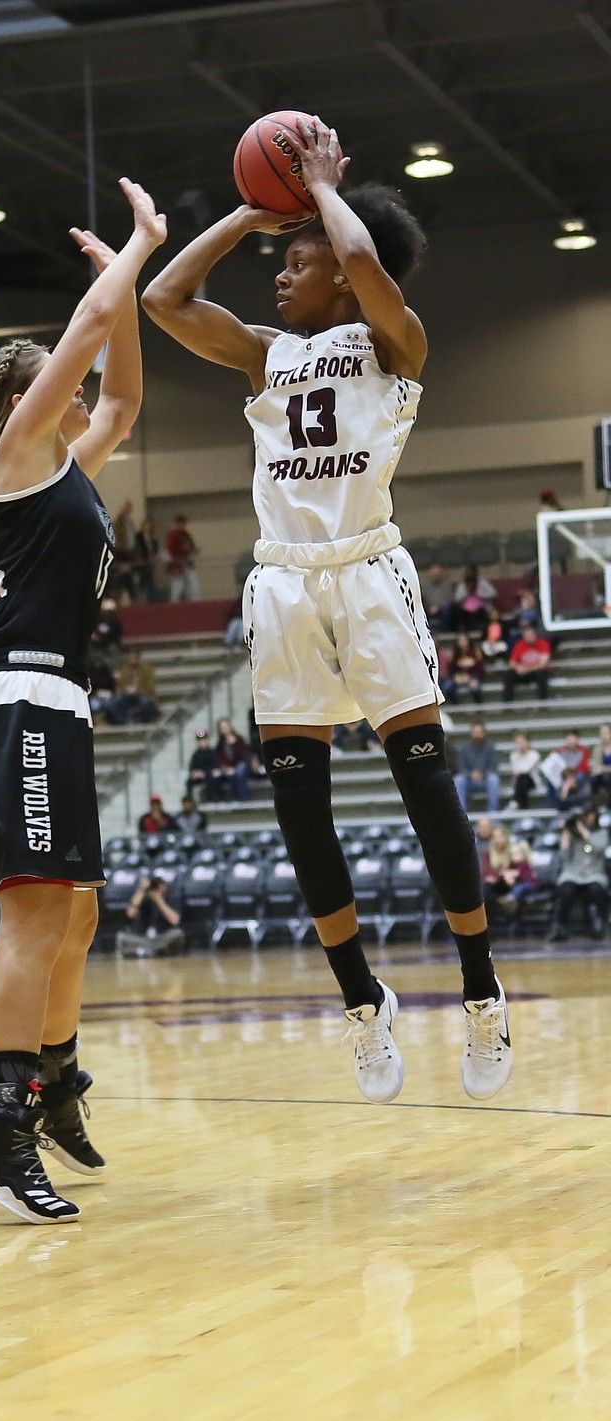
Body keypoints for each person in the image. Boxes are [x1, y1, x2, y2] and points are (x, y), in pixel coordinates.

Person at [143, 116, 511, 1104]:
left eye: (294, 261)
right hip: (282, 580)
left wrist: (321, 196)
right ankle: (360, 998)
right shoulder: (262, 353)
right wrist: (251, 213)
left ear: (341, 276)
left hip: (365, 569)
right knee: (299, 806)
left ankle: (479, 983)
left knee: (423, 786)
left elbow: (357, 251)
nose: (281, 272)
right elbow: (161, 297)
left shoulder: (393, 341)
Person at [0, 176, 166, 1223]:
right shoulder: (21, 457)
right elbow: (85, 331)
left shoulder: (66, 460)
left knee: (77, 909)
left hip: (55, 705)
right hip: (17, 701)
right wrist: (136, 249)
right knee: (32, 920)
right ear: (23, 399)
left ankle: (54, 1074)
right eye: (56, 382)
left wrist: (125, 288)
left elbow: (121, 400)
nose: (76, 394)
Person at [550, 805, 609, 942]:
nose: (588, 818)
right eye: (586, 815)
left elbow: (599, 848)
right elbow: (564, 856)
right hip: (573, 873)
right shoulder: (571, 833)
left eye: (591, 814)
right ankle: (559, 926)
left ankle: (602, 924)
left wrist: (582, 830)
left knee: (596, 889)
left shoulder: (601, 832)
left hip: (594, 873)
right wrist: (566, 832)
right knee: (565, 890)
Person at [116, 872, 185, 957]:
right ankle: (156, 951)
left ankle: (143, 952)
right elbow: (130, 914)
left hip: (162, 936)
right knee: (121, 937)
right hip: (144, 938)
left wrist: (159, 900)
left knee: (178, 934)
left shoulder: (171, 898)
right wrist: (141, 890)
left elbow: (175, 921)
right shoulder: (143, 898)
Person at [453, 723, 502, 815]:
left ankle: (493, 813)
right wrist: (470, 774)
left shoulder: (490, 748)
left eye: (479, 732)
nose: (477, 735)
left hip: (485, 780)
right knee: (458, 780)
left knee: (494, 779)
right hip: (469, 781)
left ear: (484, 733)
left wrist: (482, 774)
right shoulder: (464, 749)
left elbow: (493, 766)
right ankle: (461, 813)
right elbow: (460, 767)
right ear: (471, 733)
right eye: (475, 732)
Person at [104, 647, 159, 725]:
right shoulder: (125, 670)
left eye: (133, 658)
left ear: (138, 658)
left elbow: (151, 687)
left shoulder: (147, 670)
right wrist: (126, 689)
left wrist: (137, 690)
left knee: (145, 702)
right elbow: (121, 685)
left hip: (144, 695)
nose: (130, 660)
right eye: (129, 658)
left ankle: (143, 722)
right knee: (111, 704)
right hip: (128, 696)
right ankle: (125, 723)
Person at [502, 623, 551, 702]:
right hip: (522, 672)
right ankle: (508, 703)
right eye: (526, 636)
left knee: (541, 674)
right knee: (509, 675)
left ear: (535, 635)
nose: (528, 637)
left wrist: (527, 669)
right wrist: (518, 668)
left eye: (530, 635)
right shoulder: (519, 645)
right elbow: (512, 663)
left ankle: (543, 702)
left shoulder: (543, 644)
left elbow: (543, 664)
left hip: (535, 672)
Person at [440, 633, 485, 705]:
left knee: (475, 687)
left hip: (472, 675)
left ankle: (479, 704)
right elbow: (451, 668)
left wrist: (470, 676)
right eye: (460, 640)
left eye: (464, 640)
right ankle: (455, 704)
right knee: (447, 687)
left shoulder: (475, 652)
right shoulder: (454, 653)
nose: (462, 642)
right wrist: (455, 676)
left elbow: (481, 668)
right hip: (458, 676)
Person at [451, 565, 495, 637]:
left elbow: (493, 593)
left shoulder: (483, 583)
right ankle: (464, 630)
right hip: (466, 611)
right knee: (459, 613)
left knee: (483, 612)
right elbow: (457, 599)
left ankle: (482, 629)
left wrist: (479, 594)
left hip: (481, 610)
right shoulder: (462, 585)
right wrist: (466, 593)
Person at [165, 514, 200, 602]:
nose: (183, 526)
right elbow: (170, 548)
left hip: (187, 562)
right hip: (178, 563)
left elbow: (191, 545)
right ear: (177, 524)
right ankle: (174, 604)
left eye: (184, 524)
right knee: (177, 585)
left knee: (193, 584)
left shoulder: (186, 534)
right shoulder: (173, 534)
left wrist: (193, 549)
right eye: (181, 524)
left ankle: (195, 602)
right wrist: (183, 549)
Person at [215, 717, 250, 801]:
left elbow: (245, 755)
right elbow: (219, 758)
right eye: (222, 728)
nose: (225, 729)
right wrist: (224, 767)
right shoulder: (221, 744)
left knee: (239, 771)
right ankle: (234, 799)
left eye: (226, 726)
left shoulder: (239, 740)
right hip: (228, 768)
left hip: (241, 764)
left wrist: (234, 767)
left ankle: (244, 798)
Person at [186, 726, 224, 802]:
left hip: (210, 776)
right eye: (200, 740)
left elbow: (215, 767)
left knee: (213, 778)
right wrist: (195, 774)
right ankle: (190, 801)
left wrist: (205, 773)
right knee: (188, 782)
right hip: (199, 776)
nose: (202, 742)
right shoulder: (196, 755)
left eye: (204, 740)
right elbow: (192, 768)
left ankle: (213, 799)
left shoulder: (213, 753)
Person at [111, 499, 138, 601]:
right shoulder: (118, 523)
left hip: (129, 554)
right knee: (121, 581)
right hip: (121, 555)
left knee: (130, 580)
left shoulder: (130, 523)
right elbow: (117, 539)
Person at [508, 732, 541, 810]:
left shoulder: (534, 755)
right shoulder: (514, 755)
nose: (520, 744)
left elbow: (526, 769)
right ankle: (524, 809)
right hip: (519, 782)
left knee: (523, 777)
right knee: (521, 781)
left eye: (522, 741)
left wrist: (518, 770)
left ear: (528, 742)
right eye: (518, 742)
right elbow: (514, 771)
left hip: (531, 781)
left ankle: (514, 801)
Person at [419, 563, 452, 632]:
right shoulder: (426, 587)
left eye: (437, 574)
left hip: (442, 609)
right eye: (434, 574)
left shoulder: (447, 586)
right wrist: (430, 607)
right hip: (429, 609)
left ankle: (445, 632)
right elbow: (424, 599)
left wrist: (438, 607)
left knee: (447, 611)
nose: (436, 575)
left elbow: (449, 600)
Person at [134, 516, 159, 601]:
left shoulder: (152, 538)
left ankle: (151, 598)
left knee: (148, 580)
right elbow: (138, 549)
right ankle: (141, 597)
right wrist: (145, 557)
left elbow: (155, 548)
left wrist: (154, 555)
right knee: (144, 580)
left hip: (150, 563)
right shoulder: (138, 537)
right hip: (142, 563)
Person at [590, 722, 611, 802]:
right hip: (601, 777)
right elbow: (595, 766)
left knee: (607, 777)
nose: (604, 736)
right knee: (594, 778)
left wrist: (604, 769)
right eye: (602, 733)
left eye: (606, 733)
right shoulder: (597, 749)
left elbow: (602, 768)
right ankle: (595, 804)